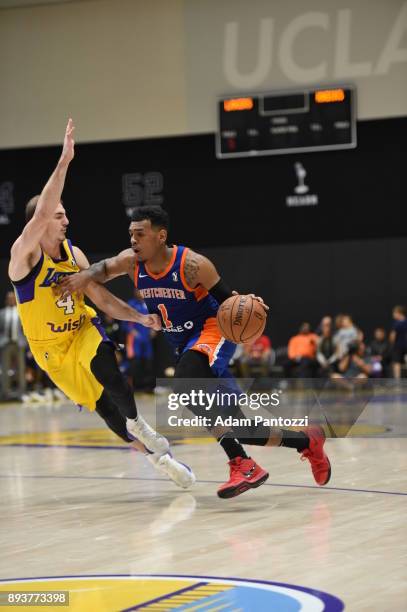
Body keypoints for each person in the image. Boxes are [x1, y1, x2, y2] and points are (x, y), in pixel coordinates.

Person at [61, 204, 332, 498]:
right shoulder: (131, 262)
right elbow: (102, 269)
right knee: (240, 427)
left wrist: (245, 301)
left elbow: (227, 299)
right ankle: (306, 442)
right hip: (184, 345)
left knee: (184, 384)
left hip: (212, 331)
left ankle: (241, 464)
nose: (133, 240)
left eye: (140, 234)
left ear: (161, 236)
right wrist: (83, 276)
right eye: (130, 234)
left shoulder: (192, 265)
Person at [8, 119, 194, 490]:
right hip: (50, 352)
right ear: (39, 222)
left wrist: (139, 318)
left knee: (108, 368)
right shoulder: (23, 257)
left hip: (79, 330)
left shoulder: (72, 253)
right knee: (107, 412)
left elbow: (100, 297)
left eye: (64, 214)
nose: (66, 219)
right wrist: (65, 161)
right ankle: (160, 459)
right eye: (59, 214)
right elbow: (43, 210)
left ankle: (139, 423)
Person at [0, 290, 27, 399]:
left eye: (13, 298)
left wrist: (25, 342)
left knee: (21, 368)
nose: (11, 300)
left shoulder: (21, 311)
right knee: (5, 369)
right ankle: (5, 393)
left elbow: (26, 329)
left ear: (16, 299)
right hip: (6, 344)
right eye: (9, 298)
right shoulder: (2, 313)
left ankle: (22, 393)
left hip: (19, 343)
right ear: (7, 300)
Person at [389, 305, 407, 379]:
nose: (393, 315)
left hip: (398, 346)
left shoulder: (397, 323)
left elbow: (393, 336)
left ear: (399, 313)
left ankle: (397, 381)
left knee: (397, 363)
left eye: (394, 313)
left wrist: (392, 343)